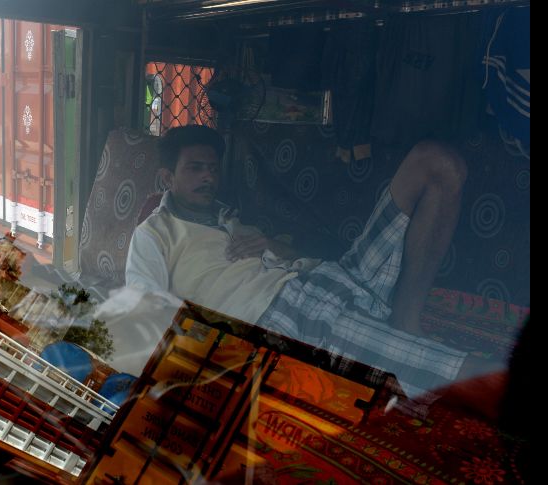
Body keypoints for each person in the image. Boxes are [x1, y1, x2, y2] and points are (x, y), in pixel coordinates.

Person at [126, 124, 500, 406]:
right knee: (459, 371)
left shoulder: (230, 218)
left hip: (330, 277)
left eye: (212, 168)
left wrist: (269, 244)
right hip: (289, 317)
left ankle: (407, 319)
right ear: (167, 178)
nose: (209, 176)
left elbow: (303, 261)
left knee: (436, 162)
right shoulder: (154, 234)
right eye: (195, 168)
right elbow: (147, 314)